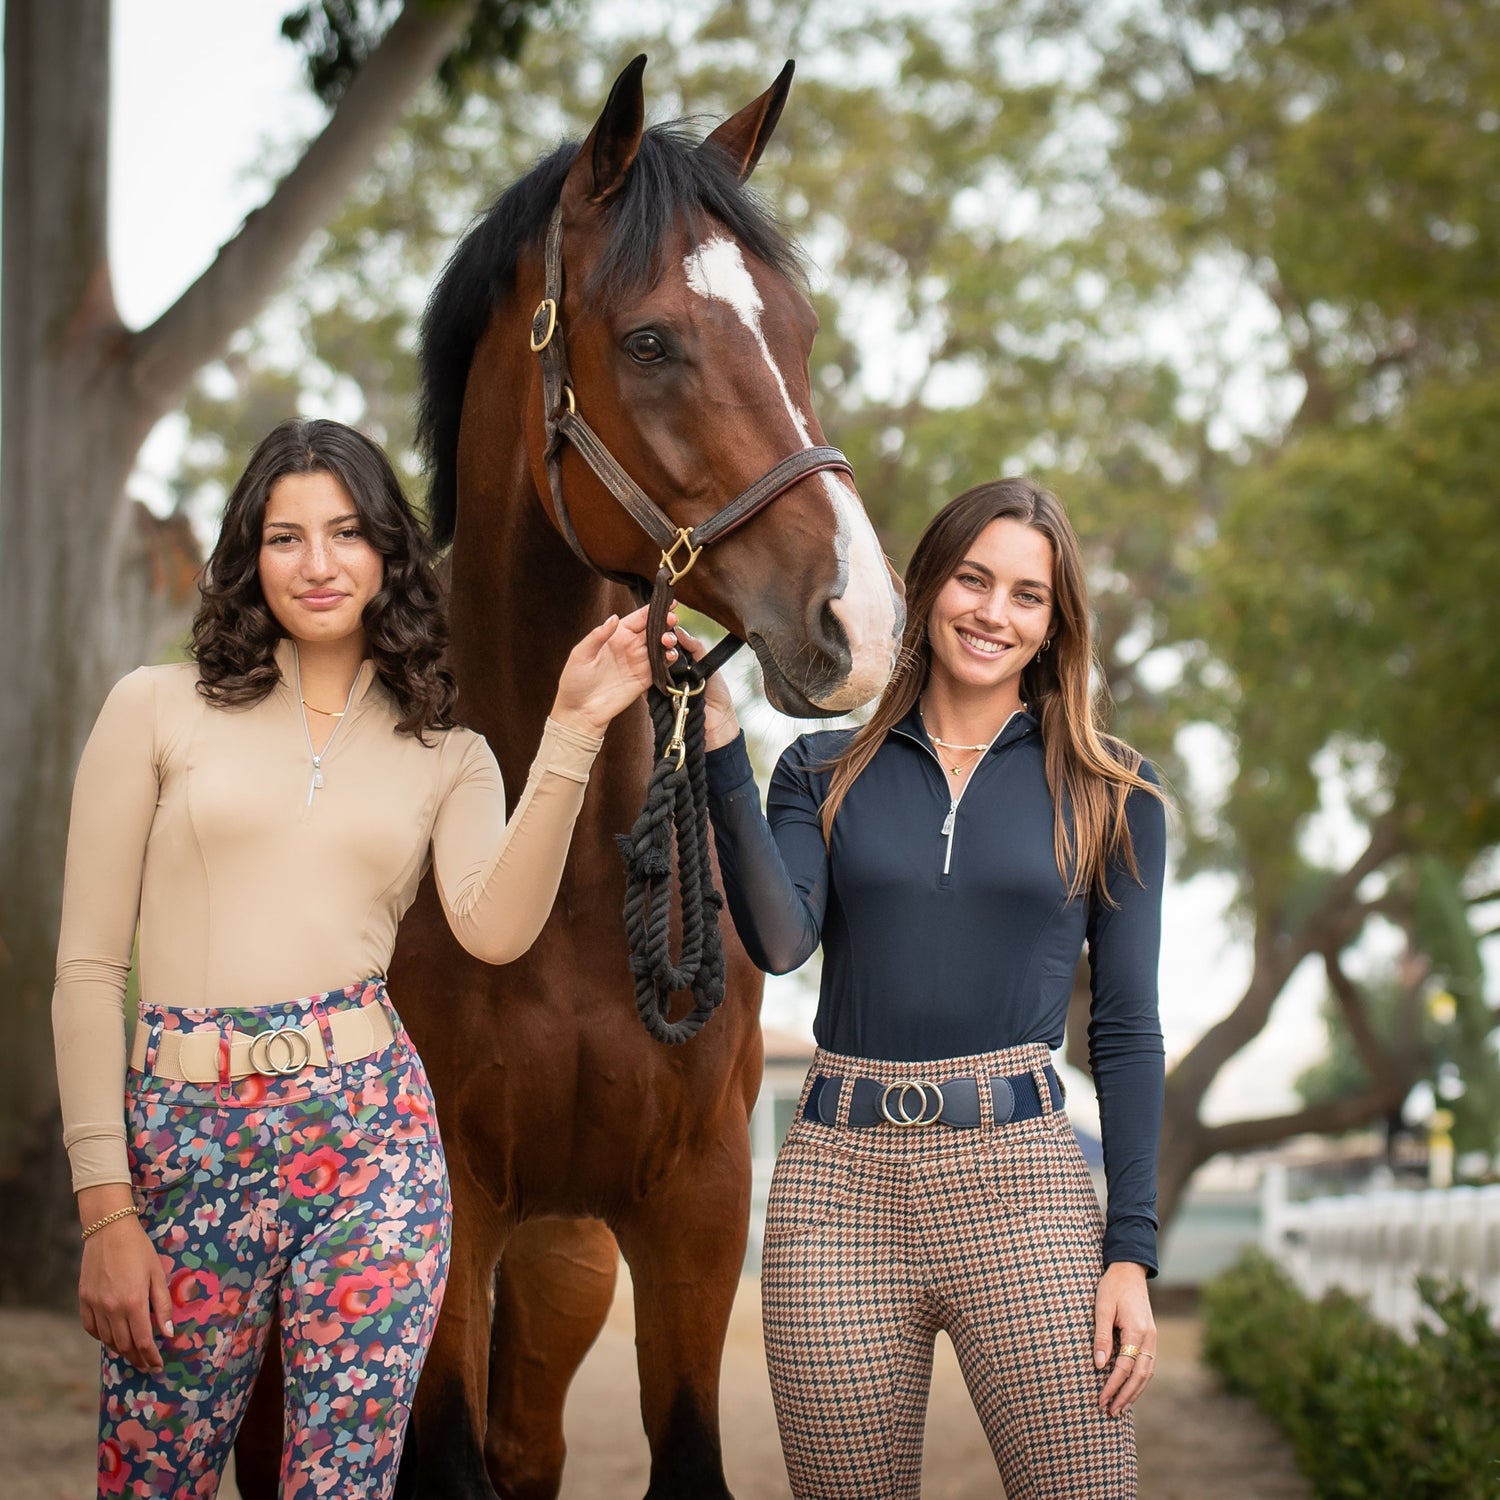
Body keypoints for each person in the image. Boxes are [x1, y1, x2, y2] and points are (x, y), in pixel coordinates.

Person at [52, 418, 677, 1498]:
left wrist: (574, 729)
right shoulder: (153, 708)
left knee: (345, 1483)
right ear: (249, 554)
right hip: (181, 1147)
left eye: (346, 533)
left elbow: (493, 929)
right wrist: (107, 1208)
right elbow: (88, 973)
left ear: (389, 551)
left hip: (369, 1147)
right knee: (153, 1475)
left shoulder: (447, 752)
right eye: (285, 537)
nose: (319, 563)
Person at [692, 476, 1168, 1499]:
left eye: (1028, 595)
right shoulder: (819, 772)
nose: (994, 613)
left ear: (1054, 623)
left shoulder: (1114, 791)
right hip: (836, 1192)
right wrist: (724, 750)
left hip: (1025, 1188)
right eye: (973, 580)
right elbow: (779, 943)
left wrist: (1131, 1252)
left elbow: (1128, 1029)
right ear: (926, 587)